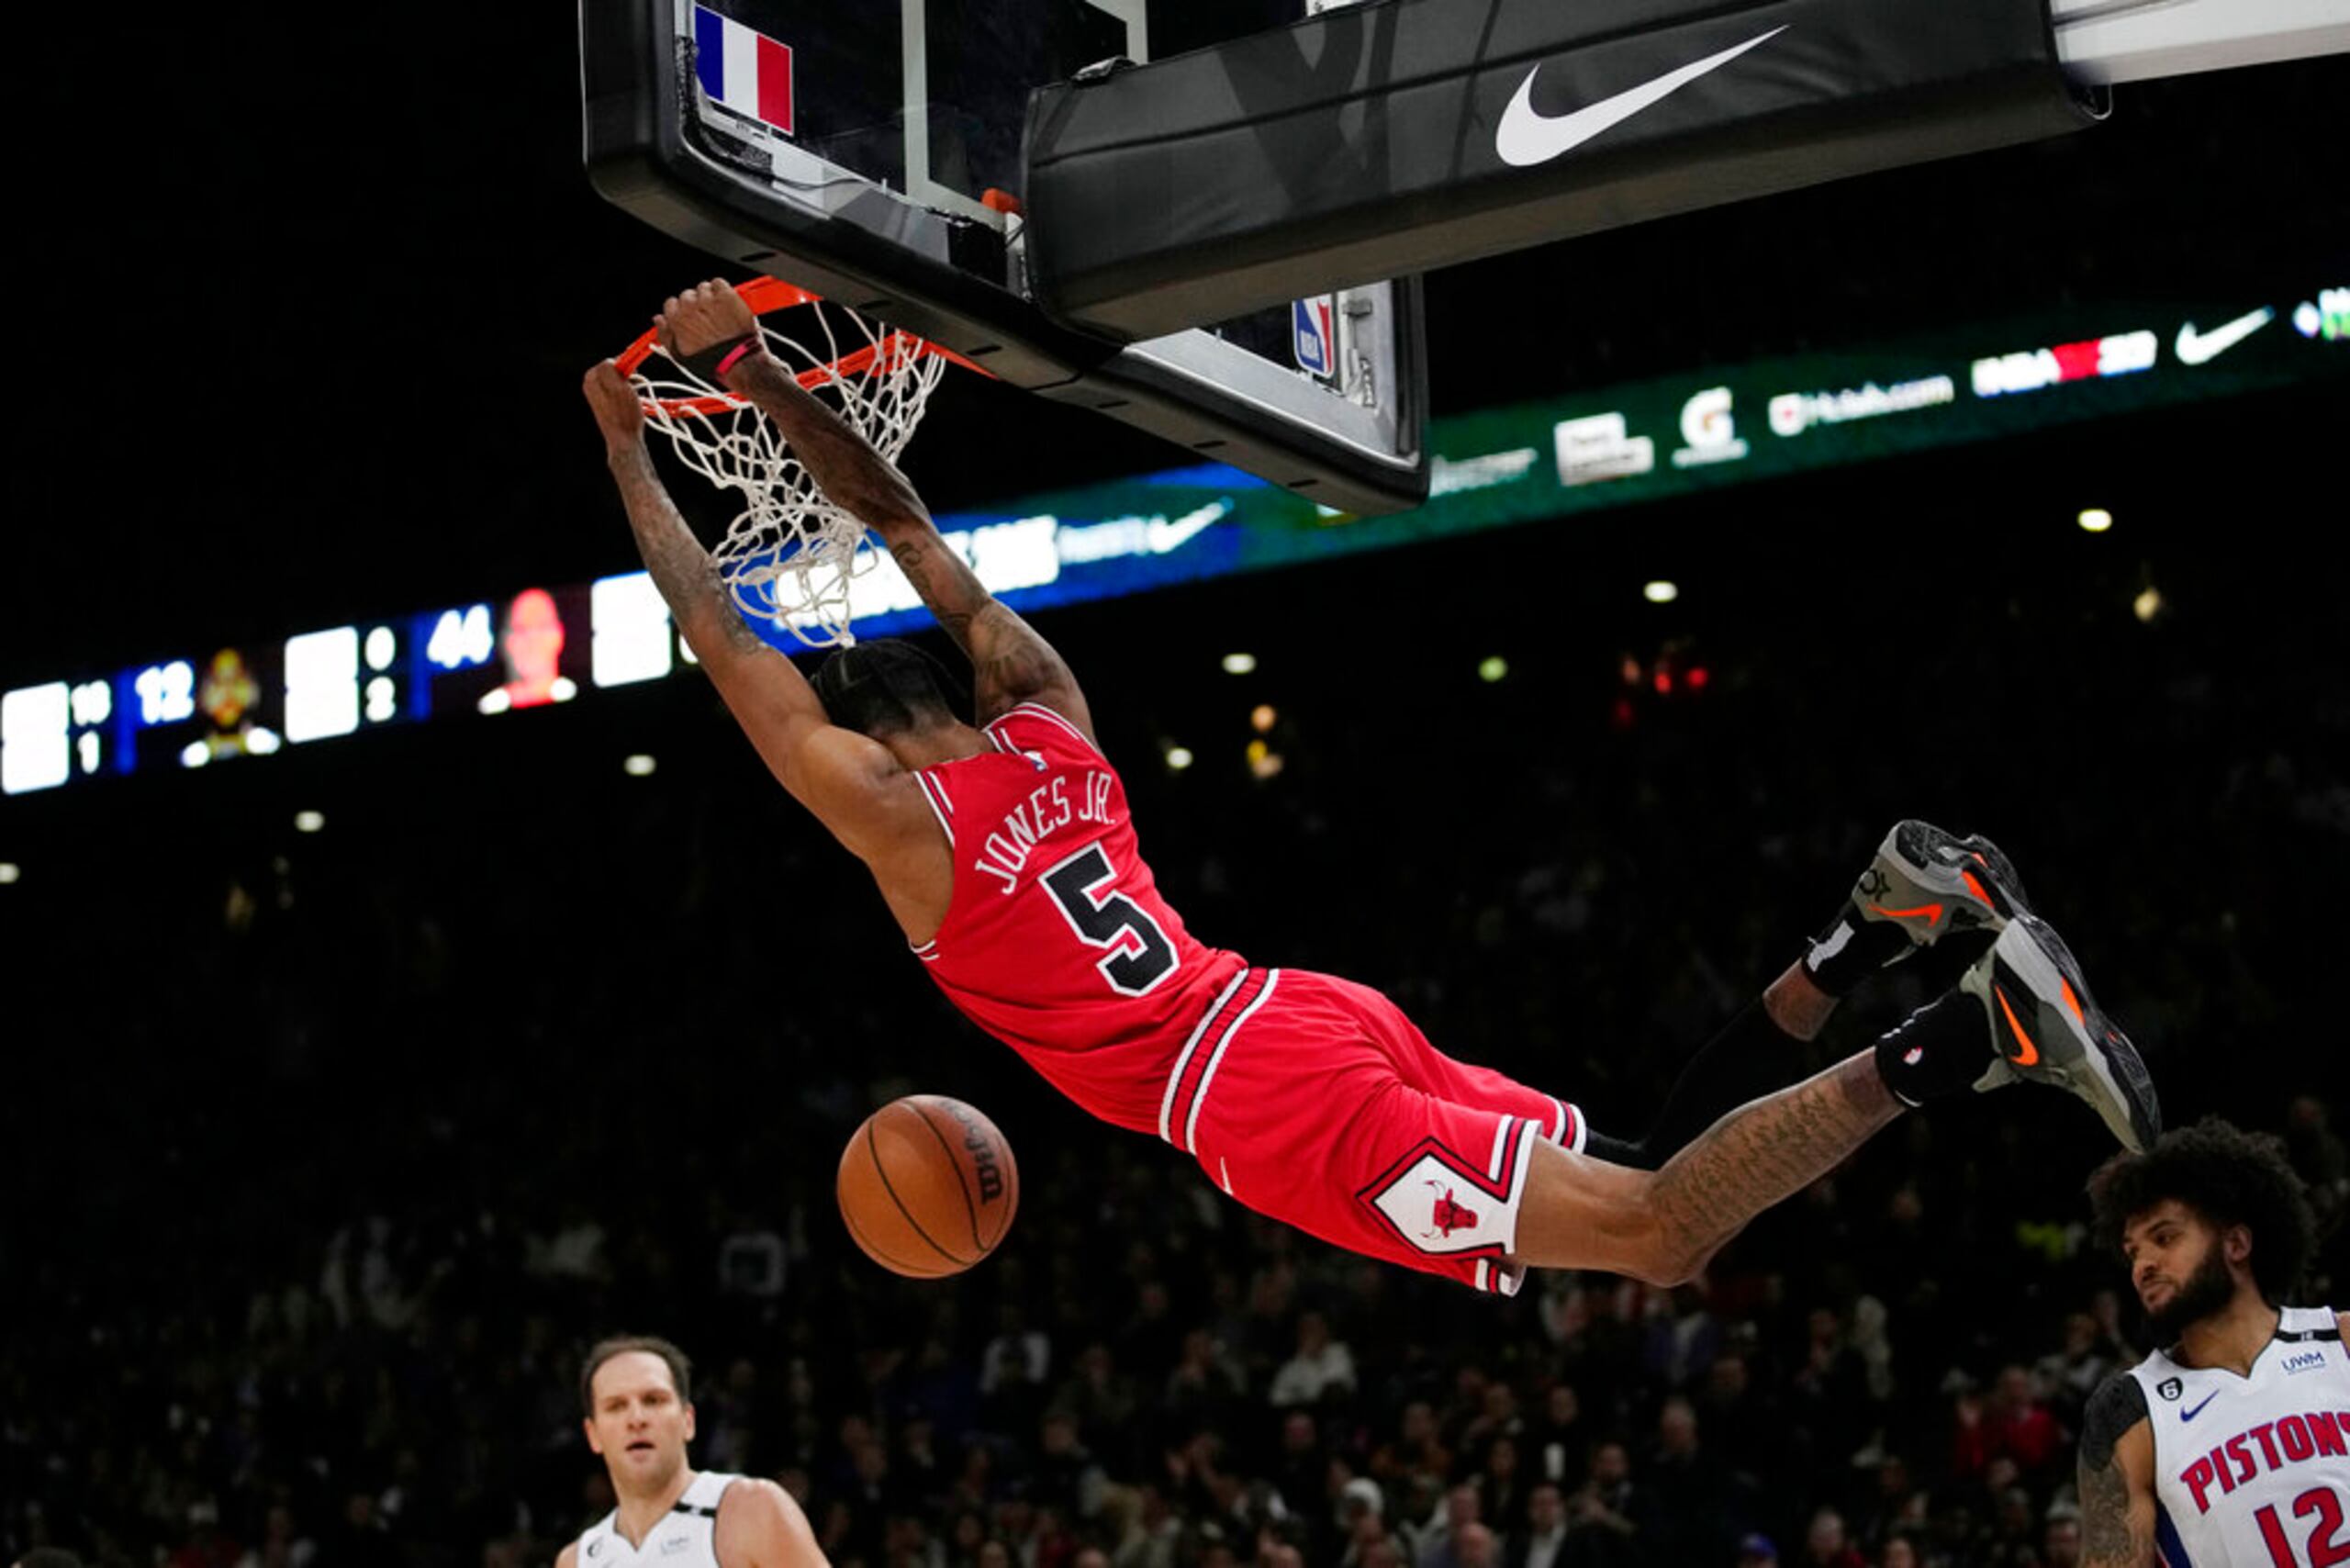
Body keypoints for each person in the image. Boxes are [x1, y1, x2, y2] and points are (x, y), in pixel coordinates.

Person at [580, 277, 2160, 1294]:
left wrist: (627, 449)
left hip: (1258, 1100)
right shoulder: (1050, 719)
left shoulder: (900, 825)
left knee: (1663, 1236)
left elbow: (724, 640)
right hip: (1293, 1008)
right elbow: (905, 520)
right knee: (1632, 1161)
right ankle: (1873, 922)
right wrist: (744, 376)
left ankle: (1975, 1020)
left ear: (869, 738)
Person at [2073, 1118, 2350, 1567]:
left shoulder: (2341, 1342)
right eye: (2133, 1251)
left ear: (2236, 1243)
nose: (2143, 1265)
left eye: (2164, 1238)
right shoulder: (2131, 1412)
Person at [558, 1335, 829, 1568]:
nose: (636, 1418)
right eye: (616, 1406)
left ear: (688, 1421)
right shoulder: (578, 1560)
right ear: (593, 1435)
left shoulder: (750, 1508)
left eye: (653, 1400)